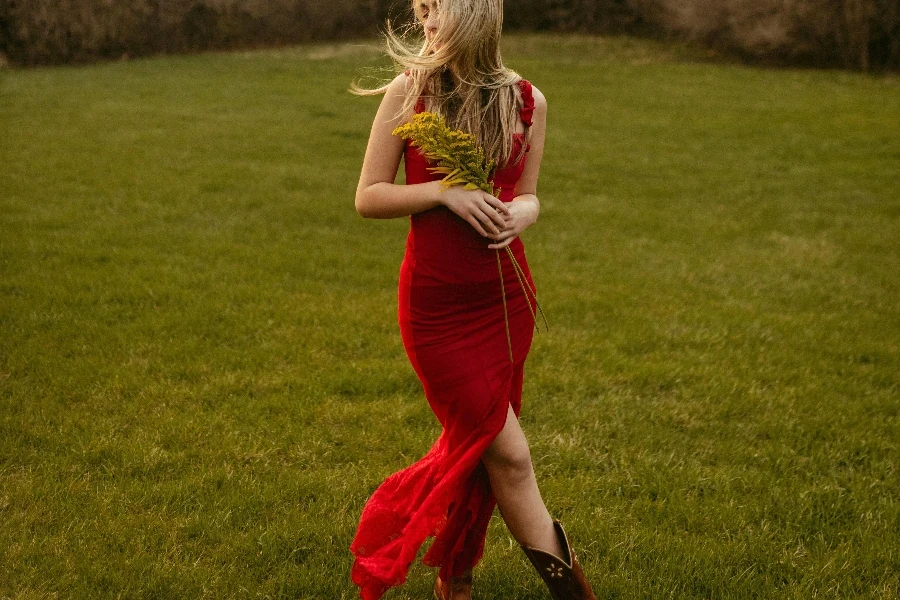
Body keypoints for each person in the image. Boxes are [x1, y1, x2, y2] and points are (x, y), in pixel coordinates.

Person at [348, 1, 596, 599]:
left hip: (505, 302)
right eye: (423, 10)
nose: (427, 24)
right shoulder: (411, 93)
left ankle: (454, 577)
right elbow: (368, 196)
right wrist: (442, 192)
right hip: (437, 310)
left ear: (477, 16)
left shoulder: (529, 101)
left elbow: (532, 195)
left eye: (439, 10)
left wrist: (519, 214)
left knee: (486, 447)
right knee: (508, 453)